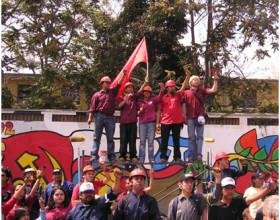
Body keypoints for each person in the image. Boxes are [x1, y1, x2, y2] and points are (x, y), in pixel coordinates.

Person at [87, 70, 126, 162]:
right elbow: (92, 108)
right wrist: (90, 118)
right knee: (97, 137)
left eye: (109, 82)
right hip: (99, 116)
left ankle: (111, 156)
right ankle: (94, 155)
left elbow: (118, 85)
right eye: (106, 82)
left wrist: (123, 75)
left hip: (110, 117)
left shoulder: (112, 92)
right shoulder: (96, 95)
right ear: (102, 83)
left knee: (110, 138)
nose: (108, 84)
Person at [157, 69, 189, 162]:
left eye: (173, 87)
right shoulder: (162, 97)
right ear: (167, 88)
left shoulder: (178, 95)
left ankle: (177, 157)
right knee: (164, 141)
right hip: (165, 122)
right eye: (170, 87)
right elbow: (159, 110)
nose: (172, 88)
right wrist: (157, 123)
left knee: (176, 141)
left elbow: (183, 86)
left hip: (177, 121)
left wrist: (187, 76)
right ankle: (163, 157)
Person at [184, 72, 218, 162]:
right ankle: (191, 156)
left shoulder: (202, 91)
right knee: (191, 137)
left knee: (200, 137)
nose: (196, 81)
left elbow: (213, 90)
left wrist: (215, 80)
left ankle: (199, 155)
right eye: (194, 79)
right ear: (190, 82)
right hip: (190, 117)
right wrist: (184, 116)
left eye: (197, 80)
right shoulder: (186, 93)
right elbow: (183, 105)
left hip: (200, 117)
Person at [208, 177, 277, 220]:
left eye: (232, 188)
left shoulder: (238, 202)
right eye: (226, 188)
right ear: (221, 190)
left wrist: (268, 189)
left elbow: (252, 198)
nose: (230, 191)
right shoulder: (214, 207)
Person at [118, 81, 145, 162]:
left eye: (131, 87)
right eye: (128, 87)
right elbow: (119, 106)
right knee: (123, 139)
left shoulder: (135, 98)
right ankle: (122, 155)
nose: (130, 89)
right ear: (125, 89)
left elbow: (140, 91)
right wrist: (126, 98)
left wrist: (145, 83)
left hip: (133, 122)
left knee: (132, 139)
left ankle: (133, 156)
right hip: (123, 122)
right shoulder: (121, 97)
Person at [137, 83, 164, 163]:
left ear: (150, 93)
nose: (147, 93)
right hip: (142, 123)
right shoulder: (139, 102)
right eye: (145, 92)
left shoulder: (153, 100)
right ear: (143, 92)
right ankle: (141, 159)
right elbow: (137, 113)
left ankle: (151, 159)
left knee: (151, 142)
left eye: (148, 92)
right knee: (142, 142)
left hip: (151, 123)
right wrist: (140, 111)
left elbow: (159, 98)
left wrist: (162, 90)